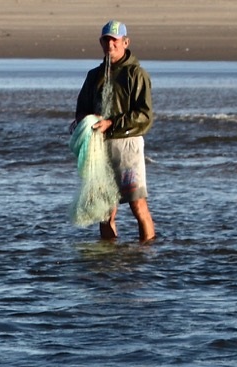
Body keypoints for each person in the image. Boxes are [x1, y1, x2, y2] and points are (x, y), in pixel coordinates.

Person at [73, 21, 155, 242]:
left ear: (125, 42)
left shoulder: (136, 74)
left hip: (128, 147)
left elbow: (145, 116)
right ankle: (109, 258)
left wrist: (111, 123)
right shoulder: (93, 76)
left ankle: (148, 254)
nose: (111, 44)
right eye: (106, 39)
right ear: (101, 42)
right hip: (99, 149)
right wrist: (84, 122)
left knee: (137, 204)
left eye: (115, 40)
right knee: (105, 210)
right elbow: (81, 110)